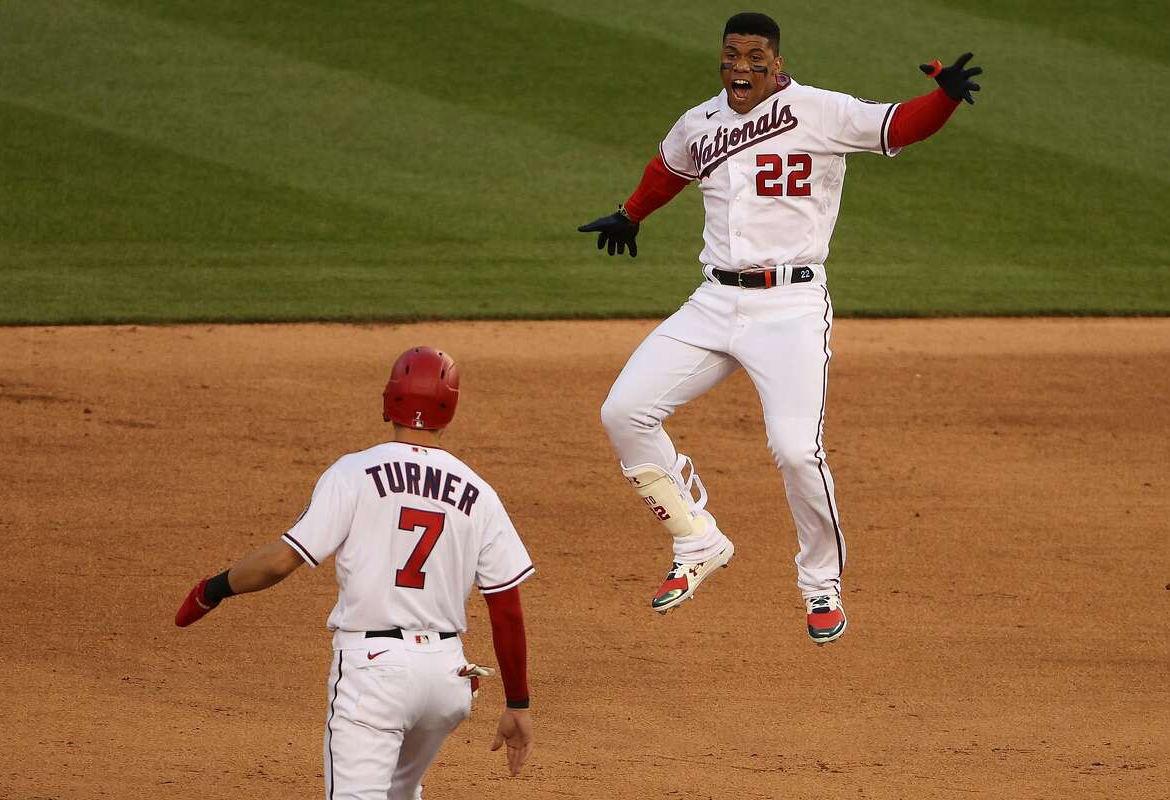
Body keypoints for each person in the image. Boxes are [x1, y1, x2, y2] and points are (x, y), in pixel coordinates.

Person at [579, 12, 981, 645]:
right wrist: (631, 214)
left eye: (755, 56)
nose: (742, 67)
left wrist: (945, 100)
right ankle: (697, 539)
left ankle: (821, 585)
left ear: (778, 62)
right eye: (732, 55)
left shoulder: (819, 111)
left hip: (791, 309)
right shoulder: (701, 122)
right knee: (623, 411)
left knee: (798, 450)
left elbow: (897, 125)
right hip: (714, 302)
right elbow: (670, 169)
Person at [175, 346, 536, 798]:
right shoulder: (479, 492)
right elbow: (506, 607)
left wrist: (212, 589)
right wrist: (518, 703)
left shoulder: (354, 472)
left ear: (390, 400)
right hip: (447, 680)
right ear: (451, 407)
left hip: (374, 675)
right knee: (400, 794)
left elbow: (282, 561)